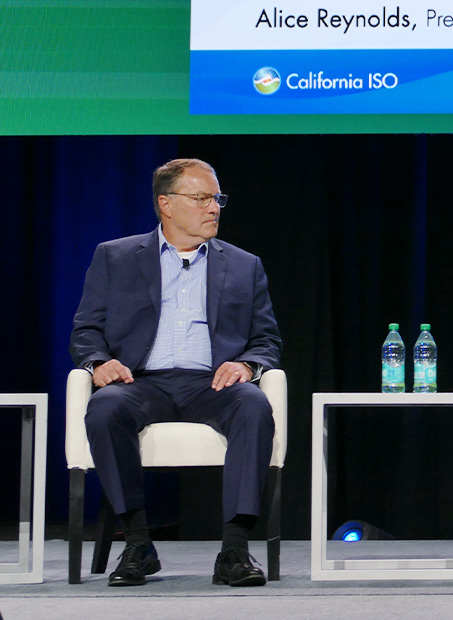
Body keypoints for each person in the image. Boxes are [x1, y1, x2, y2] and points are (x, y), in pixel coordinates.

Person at [70, 158, 282, 587]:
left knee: (254, 405)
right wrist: (99, 362)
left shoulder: (244, 265)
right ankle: (137, 543)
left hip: (211, 384)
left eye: (216, 198)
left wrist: (245, 364)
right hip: (140, 382)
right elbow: (86, 330)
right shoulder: (116, 256)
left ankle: (235, 548)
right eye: (201, 198)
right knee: (104, 409)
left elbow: (267, 340)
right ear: (165, 204)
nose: (214, 208)